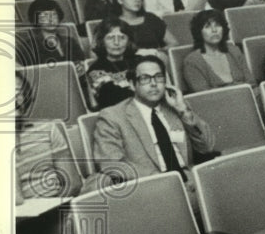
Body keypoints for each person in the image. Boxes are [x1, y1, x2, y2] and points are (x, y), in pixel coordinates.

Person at [93, 54, 216, 206]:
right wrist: (167, 181)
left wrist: (183, 110)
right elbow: (112, 164)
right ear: (132, 84)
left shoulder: (175, 107)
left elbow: (207, 147)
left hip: (191, 182)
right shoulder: (112, 116)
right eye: (145, 79)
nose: (153, 84)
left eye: (158, 77)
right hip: (150, 189)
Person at [13, 72, 83, 234]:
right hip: (15, 228)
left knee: (73, 219)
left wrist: (50, 205)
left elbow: (72, 183)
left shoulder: (48, 129)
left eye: (17, 93)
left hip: (56, 213)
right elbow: (15, 199)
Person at [16, 0, 88, 82]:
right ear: (36, 19)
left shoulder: (70, 41)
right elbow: (30, 75)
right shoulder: (29, 46)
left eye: (54, 15)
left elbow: (81, 62)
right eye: (45, 16)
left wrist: (80, 67)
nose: (51, 20)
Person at [181, 9, 253, 93]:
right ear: (199, 32)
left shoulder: (234, 51)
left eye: (218, 25)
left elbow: (252, 83)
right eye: (207, 26)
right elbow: (204, 96)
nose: (214, 30)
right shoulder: (192, 61)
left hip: (247, 98)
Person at [113, 0, 177, 56]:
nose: (137, 0)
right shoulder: (113, 22)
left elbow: (174, 43)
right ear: (120, 0)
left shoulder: (151, 18)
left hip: (154, 61)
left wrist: (157, 52)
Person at [85, 18, 136, 109]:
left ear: (129, 41)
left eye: (122, 37)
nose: (116, 43)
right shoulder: (96, 70)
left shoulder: (139, 62)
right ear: (102, 42)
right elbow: (113, 99)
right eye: (110, 38)